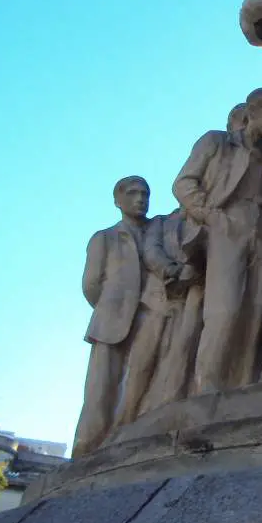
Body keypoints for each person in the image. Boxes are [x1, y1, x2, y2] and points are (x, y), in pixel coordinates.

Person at [172, 88, 262, 393]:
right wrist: (209, 215)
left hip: (259, 233)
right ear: (252, 111)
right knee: (224, 310)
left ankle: (241, 387)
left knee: (253, 313)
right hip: (226, 225)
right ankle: (207, 389)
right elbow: (183, 182)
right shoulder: (217, 141)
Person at [73, 176, 156, 457]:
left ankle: (125, 440)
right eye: (133, 193)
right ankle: (87, 449)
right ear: (118, 201)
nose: (140, 199)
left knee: (138, 384)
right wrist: (114, 306)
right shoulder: (104, 237)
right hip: (111, 322)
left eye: (145, 194)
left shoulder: (157, 231)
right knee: (100, 391)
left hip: (149, 317)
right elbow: (91, 284)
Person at [114, 207, 204, 424]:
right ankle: (125, 422)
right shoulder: (162, 222)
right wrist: (173, 270)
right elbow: (151, 251)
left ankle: (164, 411)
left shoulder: (207, 220)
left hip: (191, 301)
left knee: (179, 356)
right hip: (157, 302)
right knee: (141, 365)